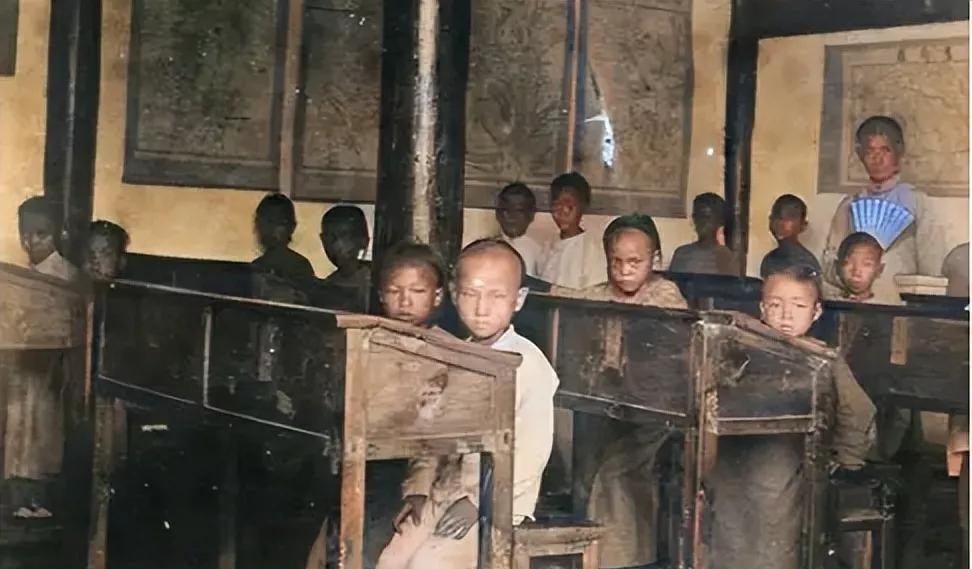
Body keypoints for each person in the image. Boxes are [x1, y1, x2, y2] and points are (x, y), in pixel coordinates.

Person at [374, 239, 558, 569]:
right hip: (443, 490)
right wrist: (417, 489)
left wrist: (478, 502)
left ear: (518, 299)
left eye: (496, 295)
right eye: (471, 294)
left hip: (497, 501)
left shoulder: (528, 363)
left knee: (429, 565)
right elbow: (429, 436)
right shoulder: (453, 354)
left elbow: (532, 451)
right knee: (390, 561)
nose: (482, 308)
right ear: (454, 294)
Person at [707, 264, 876, 569]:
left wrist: (843, 463)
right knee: (727, 540)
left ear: (816, 312)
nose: (786, 315)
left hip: (785, 471)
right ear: (762, 308)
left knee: (777, 545)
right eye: (775, 305)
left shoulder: (822, 358)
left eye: (798, 306)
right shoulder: (739, 350)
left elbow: (858, 410)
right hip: (732, 469)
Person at [553, 214, 688, 568]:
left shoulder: (665, 295)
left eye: (635, 262)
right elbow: (567, 300)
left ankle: (629, 559)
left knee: (620, 481)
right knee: (586, 479)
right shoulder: (599, 293)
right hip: (604, 405)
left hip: (650, 413)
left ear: (655, 260)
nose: (624, 271)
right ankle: (590, 554)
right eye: (616, 261)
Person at [821, 116, 942, 303]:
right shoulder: (850, 205)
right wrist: (850, 281)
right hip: (856, 302)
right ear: (861, 156)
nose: (877, 159)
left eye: (885, 150)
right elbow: (831, 260)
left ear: (898, 152)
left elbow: (932, 264)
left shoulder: (917, 202)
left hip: (900, 302)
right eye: (870, 151)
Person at [539, 172, 606, 289]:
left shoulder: (593, 250)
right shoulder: (547, 247)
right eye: (556, 205)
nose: (562, 213)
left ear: (583, 206)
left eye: (569, 206)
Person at [378, 241, 447, 328]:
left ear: (438, 296)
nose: (405, 302)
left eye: (417, 291)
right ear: (381, 296)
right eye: (394, 291)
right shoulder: (365, 335)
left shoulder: (443, 337)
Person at [251, 193, 315, 286]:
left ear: (292, 227)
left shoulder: (300, 267)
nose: (270, 228)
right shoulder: (256, 266)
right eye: (266, 221)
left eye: (278, 222)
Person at [669, 192, 735, 275]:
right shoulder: (681, 254)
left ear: (720, 221)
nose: (702, 222)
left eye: (707, 217)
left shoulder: (725, 257)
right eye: (698, 216)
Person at [823, 232, 898, 304]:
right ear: (837, 267)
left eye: (867, 264)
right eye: (848, 262)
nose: (856, 272)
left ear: (879, 270)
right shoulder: (827, 304)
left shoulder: (885, 308)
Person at [18, 196, 78, 283]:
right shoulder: (22, 270)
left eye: (41, 234)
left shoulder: (64, 277)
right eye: (25, 233)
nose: (33, 241)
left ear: (58, 234)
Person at [760, 194, 821, 278]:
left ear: (803, 225)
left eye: (789, 218)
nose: (781, 224)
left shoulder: (806, 265)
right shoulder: (769, 260)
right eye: (777, 217)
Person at [495, 182, 542, 277]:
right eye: (506, 210)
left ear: (531, 214)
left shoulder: (540, 254)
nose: (512, 216)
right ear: (497, 213)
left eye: (518, 210)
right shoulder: (486, 249)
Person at [319, 205, 372, 288]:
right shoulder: (327, 285)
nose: (336, 245)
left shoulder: (375, 281)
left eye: (344, 236)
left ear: (363, 241)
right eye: (329, 237)